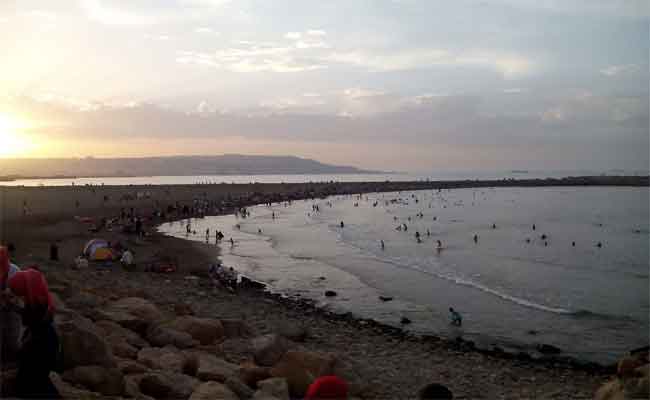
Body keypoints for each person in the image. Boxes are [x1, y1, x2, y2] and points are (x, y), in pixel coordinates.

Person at [6, 268, 61, 398]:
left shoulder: (37, 305)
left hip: (41, 347)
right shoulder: (38, 296)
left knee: (33, 382)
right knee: (36, 380)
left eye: (20, 293)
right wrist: (13, 307)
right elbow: (29, 315)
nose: (20, 297)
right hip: (43, 344)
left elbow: (32, 319)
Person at [1, 246, 22, 364]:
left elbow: (20, 294)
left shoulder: (15, 272)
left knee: (13, 339)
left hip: (13, 309)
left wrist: (10, 296)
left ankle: (13, 360)